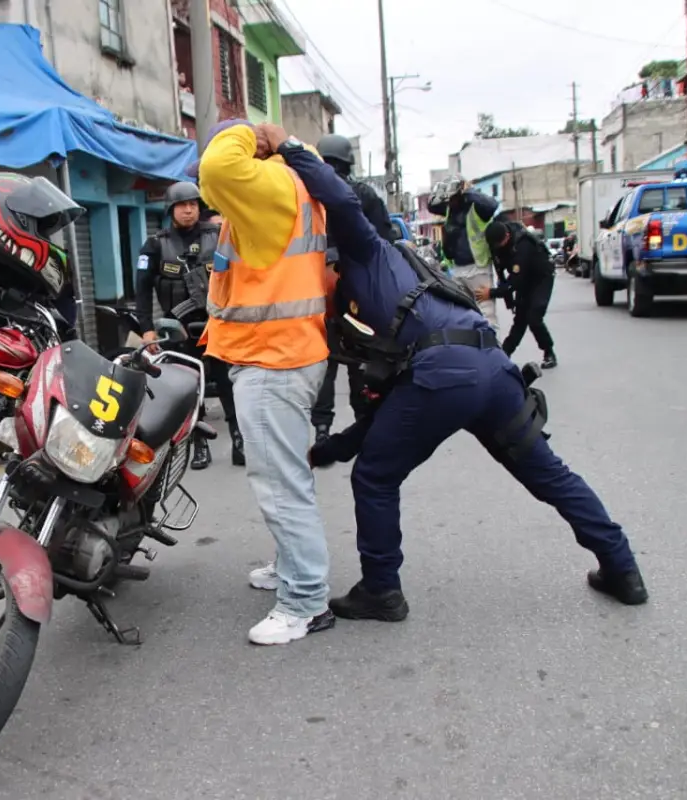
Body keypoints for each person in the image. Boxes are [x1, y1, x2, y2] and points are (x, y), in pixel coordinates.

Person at [272, 132, 649, 623]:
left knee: (375, 475)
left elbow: (339, 197)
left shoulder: (371, 252)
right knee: (547, 473)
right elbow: (394, 406)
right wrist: (329, 450)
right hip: (491, 371)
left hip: (445, 373)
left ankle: (382, 589)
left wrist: (288, 147)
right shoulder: (394, 283)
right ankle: (622, 567)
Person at [192, 119, 336, 645]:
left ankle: (304, 602)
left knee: (280, 486)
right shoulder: (280, 189)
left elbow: (217, 167)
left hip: (273, 359)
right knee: (285, 476)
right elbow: (213, 181)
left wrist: (252, 131)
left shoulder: (274, 187)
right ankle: (291, 567)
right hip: (277, 354)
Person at [135, 182, 240, 470]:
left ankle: (239, 440)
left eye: (193, 204)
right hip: (176, 328)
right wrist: (147, 328)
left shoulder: (218, 236)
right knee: (188, 387)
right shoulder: (155, 244)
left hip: (216, 325)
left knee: (229, 383)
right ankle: (199, 444)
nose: (188, 209)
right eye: (182, 205)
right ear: (171, 209)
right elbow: (142, 290)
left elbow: (239, 275)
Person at [311, 133, 400, 446]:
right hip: (358, 289)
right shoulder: (362, 193)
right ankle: (366, 423)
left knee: (326, 360)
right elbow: (386, 243)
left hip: (315, 288)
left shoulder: (306, 191)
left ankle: (322, 429)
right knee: (362, 357)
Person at [478, 220, 558, 368]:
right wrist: (509, 299)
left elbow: (514, 281)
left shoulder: (522, 245)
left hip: (541, 278)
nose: (497, 247)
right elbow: (501, 273)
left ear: (507, 236)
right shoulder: (496, 244)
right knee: (520, 320)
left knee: (534, 317)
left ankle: (549, 352)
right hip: (523, 280)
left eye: (499, 244)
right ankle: (505, 353)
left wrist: (492, 293)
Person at [427, 175, 500, 327]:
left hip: (477, 268)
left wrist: (467, 190)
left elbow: (492, 205)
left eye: (452, 198)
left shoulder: (476, 207)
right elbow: (432, 206)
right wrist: (441, 191)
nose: (449, 203)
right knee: (463, 313)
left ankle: (493, 347)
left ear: (460, 195)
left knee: (487, 314)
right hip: (457, 269)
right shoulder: (449, 210)